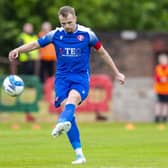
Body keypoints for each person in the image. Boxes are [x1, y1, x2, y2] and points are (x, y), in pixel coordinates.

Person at [8, 6, 125, 164]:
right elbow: (36, 44)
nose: (67, 26)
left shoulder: (87, 35)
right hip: (62, 79)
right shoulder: (55, 35)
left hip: (80, 78)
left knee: (73, 99)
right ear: (60, 22)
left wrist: (116, 72)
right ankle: (79, 154)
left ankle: (60, 123)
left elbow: (103, 52)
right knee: (68, 112)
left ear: (75, 18)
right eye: (63, 23)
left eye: (69, 22)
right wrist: (18, 50)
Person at [17, 23, 39, 122]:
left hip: (34, 62)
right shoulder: (22, 37)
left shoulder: (34, 36)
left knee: (34, 80)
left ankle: (31, 93)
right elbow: (21, 47)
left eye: (30, 27)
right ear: (24, 28)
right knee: (26, 79)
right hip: (25, 61)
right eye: (27, 27)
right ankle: (23, 91)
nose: (29, 29)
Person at [153, 54, 168, 123]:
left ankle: (164, 118)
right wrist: (160, 79)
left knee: (165, 104)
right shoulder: (158, 68)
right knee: (158, 103)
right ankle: (157, 117)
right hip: (159, 89)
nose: (164, 61)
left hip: (166, 90)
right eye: (162, 60)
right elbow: (156, 77)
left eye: (165, 60)